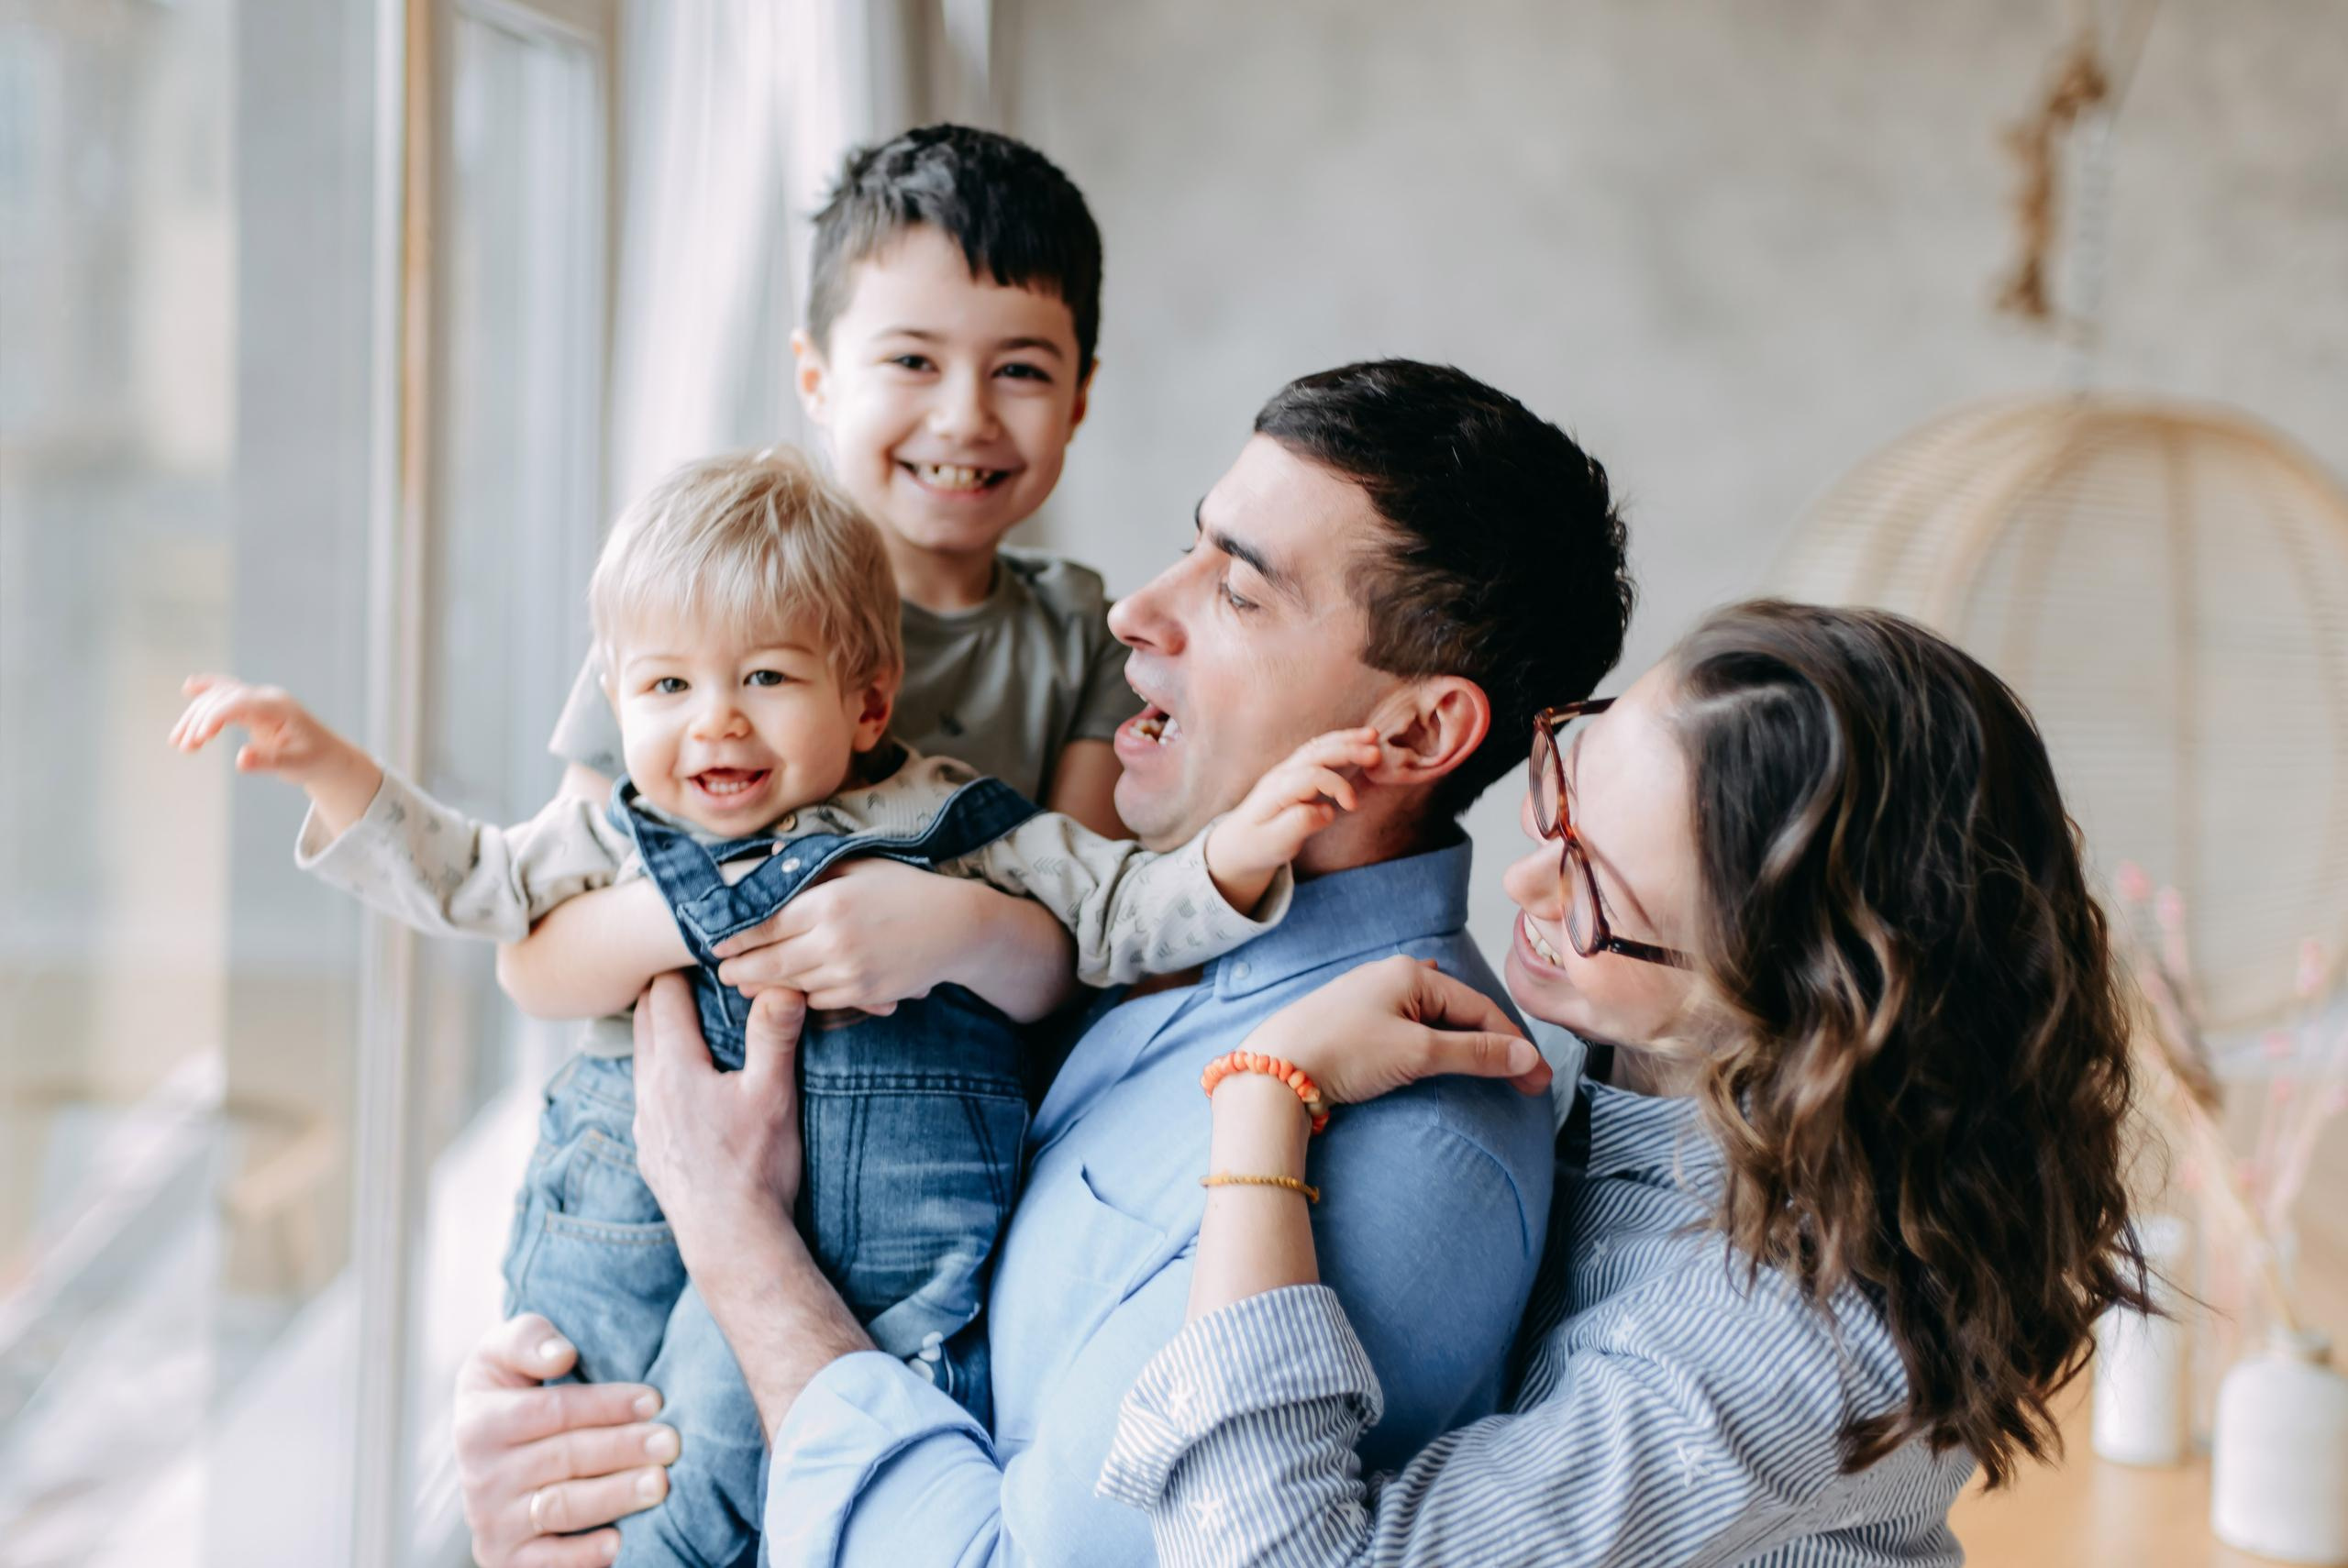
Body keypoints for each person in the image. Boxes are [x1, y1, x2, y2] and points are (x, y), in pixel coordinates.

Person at [448, 359, 1639, 1568]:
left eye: (1236, 590)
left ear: (1420, 730)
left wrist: (731, 1226)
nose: (1134, 610)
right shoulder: (1112, 940)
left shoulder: (1413, 1140)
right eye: (1189, 544)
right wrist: (563, 1447)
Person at [168, 447, 1365, 1567]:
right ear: (617, 700)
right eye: (668, 685)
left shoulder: (957, 824)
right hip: (622, 1229)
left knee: (730, 1503)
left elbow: (1116, 909)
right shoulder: (612, 836)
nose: (716, 719)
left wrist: (1242, 848)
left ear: (866, 699)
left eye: (765, 678)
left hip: (864, 1271)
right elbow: (472, 880)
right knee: (591, 1465)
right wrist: (328, 763)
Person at [1095, 599, 2154, 1566]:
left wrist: (1261, 1096)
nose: (1522, 882)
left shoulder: (1790, 1340)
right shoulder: (1594, 1057)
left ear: (1793, 1003)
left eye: (1594, 886)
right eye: (1565, 786)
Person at [497, 120, 1140, 1035]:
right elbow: (536, 963)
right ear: (816, 374)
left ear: (1078, 397)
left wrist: (958, 928)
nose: (963, 417)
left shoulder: (1087, 641)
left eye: (1022, 370)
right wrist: (744, 901)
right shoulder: (694, 596)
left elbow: (1089, 949)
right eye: (912, 360)